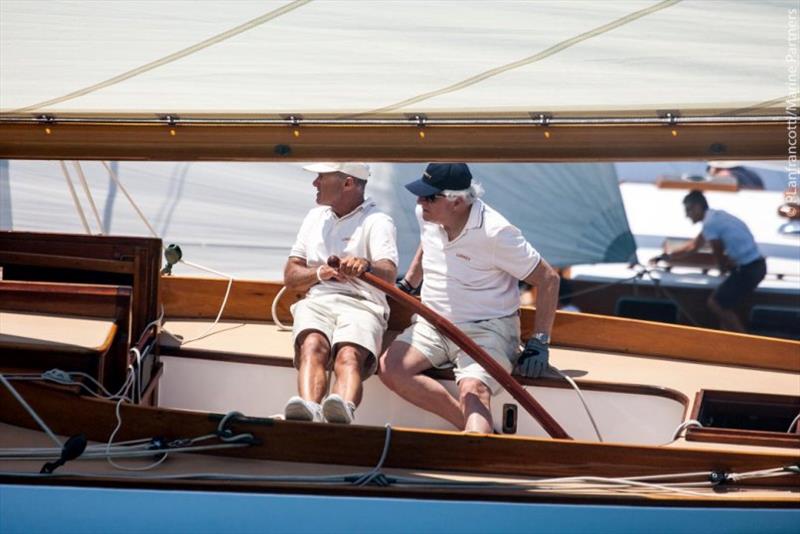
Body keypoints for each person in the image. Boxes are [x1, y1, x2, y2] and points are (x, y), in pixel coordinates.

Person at [379, 163, 560, 434]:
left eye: (429, 196)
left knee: (473, 390)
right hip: (433, 323)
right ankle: (471, 429)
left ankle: (476, 444)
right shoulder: (428, 215)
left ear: (458, 201)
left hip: (487, 329)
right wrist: (409, 283)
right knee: (390, 367)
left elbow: (548, 279)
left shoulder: (496, 233)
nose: (419, 201)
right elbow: (428, 244)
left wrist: (539, 342)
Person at [283, 162, 398, 424]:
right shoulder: (314, 217)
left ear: (347, 183)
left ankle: (341, 413)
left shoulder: (378, 221)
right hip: (319, 300)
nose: (315, 183)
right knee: (312, 345)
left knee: (349, 354)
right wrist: (319, 274)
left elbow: (389, 275)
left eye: (321, 177)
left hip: (363, 304)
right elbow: (291, 277)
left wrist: (365, 266)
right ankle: (309, 411)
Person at [650, 190, 766, 332]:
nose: (687, 215)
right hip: (755, 266)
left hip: (750, 270)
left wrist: (722, 269)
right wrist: (665, 256)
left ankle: (744, 341)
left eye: (689, 210)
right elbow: (693, 246)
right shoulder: (715, 217)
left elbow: (717, 250)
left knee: (716, 304)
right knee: (725, 306)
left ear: (698, 207)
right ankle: (729, 338)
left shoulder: (710, 223)